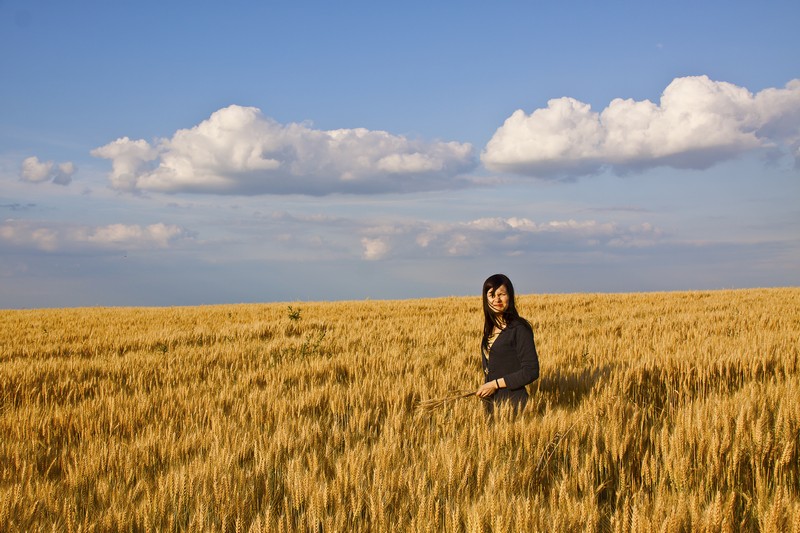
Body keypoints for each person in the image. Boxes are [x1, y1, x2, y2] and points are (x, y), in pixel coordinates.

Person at [475, 273, 539, 415]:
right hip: (492, 405)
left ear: (509, 296)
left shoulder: (519, 328)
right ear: (486, 299)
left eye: (502, 294)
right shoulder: (489, 330)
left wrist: (494, 384)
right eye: (492, 295)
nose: (497, 299)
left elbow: (531, 371)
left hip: (514, 406)